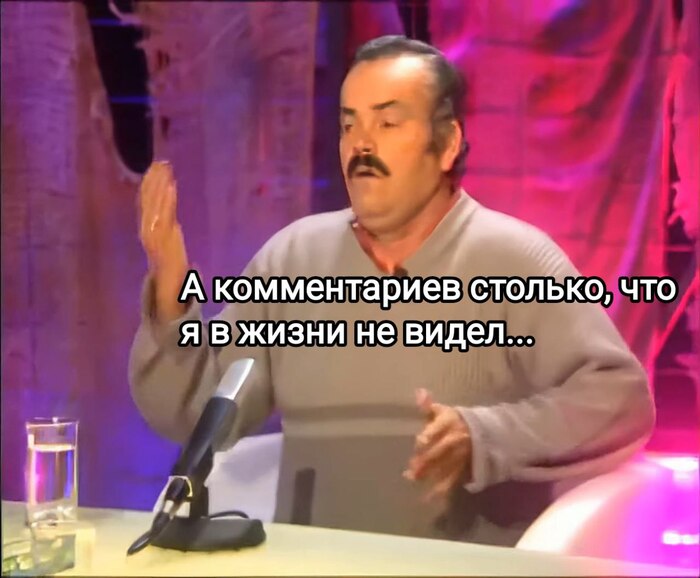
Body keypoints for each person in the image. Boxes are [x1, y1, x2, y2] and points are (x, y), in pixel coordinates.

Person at [129, 35, 655, 546]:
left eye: (386, 122)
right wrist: (170, 293)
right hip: (315, 565)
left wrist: (486, 436)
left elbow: (619, 399)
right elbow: (194, 413)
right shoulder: (292, 260)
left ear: (447, 144)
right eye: (348, 124)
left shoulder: (515, 261)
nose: (361, 144)